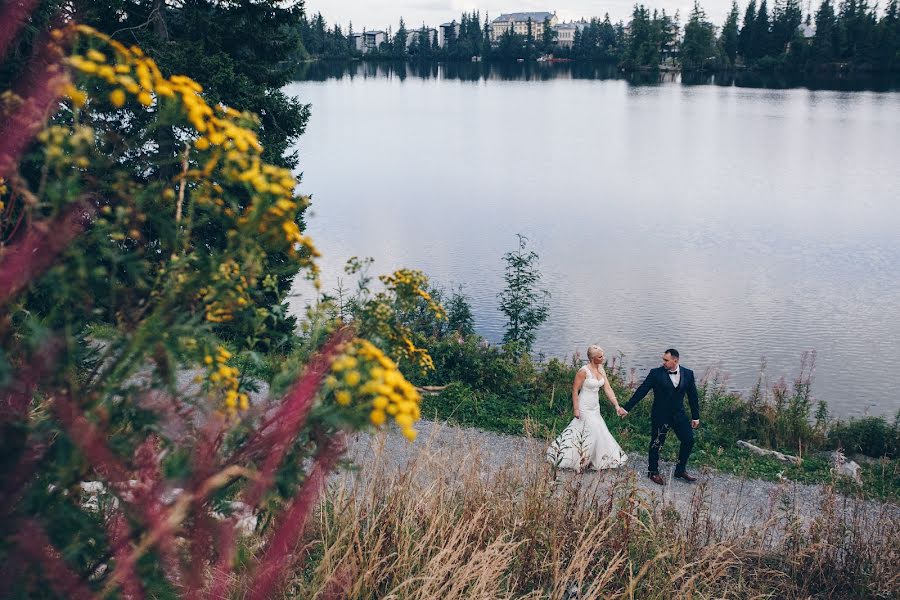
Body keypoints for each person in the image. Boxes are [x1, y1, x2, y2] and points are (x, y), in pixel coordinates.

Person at [621, 348, 700, 485]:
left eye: (666, 360)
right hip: (661, 415)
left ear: (675, 360)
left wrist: (695, 416)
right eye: (663, 359)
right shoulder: (655, 374)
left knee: (688, 440)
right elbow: (642, 391)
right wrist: (627, 408)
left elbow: (693, 396)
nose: (663, 362)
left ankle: (680, 470)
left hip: (679, 415)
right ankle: (653, 471)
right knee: (657, 443)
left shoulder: (688, 374)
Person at [546, 345, 629, 472]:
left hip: (595, 406)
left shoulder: (601, 369)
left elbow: (607, 388)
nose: (603, 358)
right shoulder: (583, 371)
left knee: (596, 430)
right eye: (600, 357)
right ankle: (582, 461)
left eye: (603, 356)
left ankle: (594, 458)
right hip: (584, 405)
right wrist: (576, 409)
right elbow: (575, 390)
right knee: (591, 430)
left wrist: (616, 405)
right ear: (593, 358)